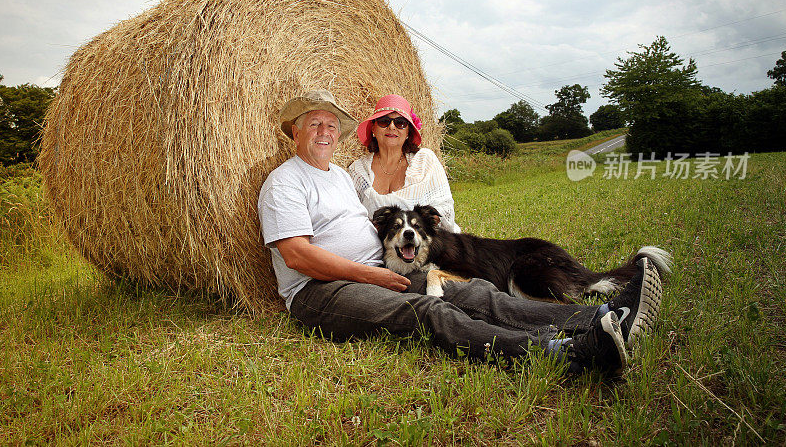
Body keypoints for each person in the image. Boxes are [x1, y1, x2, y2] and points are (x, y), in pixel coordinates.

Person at [257, 89, 664, 376]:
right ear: (295, 131)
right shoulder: (285, 182)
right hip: (322, 290)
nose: (325, 131)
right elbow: (298, 257)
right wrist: (374, 274)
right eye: (314, 124)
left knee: (477, 292)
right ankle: (567, 352)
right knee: (429, 313)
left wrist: (398, 263)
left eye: (331, 124)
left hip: (379, 271)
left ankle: (602, 315)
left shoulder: (340, 178)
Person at [349, 94, 460, 232]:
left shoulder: (425, 160)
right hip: (373, 248)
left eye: (400, 123)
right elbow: (349, 217)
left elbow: (445, 210)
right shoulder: (358, 170)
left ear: (408, 131)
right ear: (373, 128)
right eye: (384, 121)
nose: (391, 127)